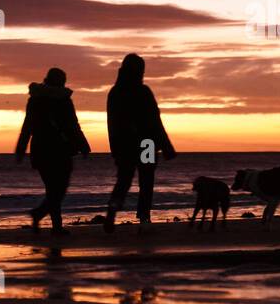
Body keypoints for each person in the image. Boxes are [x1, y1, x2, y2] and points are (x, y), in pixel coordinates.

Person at [104, 53, 175, 233]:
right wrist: (166, 145)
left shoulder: (115, 92)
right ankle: (144, 218)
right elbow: (155, 120)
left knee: (124, 180)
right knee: (146, 180)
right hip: (147, 143)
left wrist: (115, 147)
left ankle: (113, 210)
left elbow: (112, 123)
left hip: (126, 144)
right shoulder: (143, 92)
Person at [15, 67, 90, 235]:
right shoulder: (63, 100)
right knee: (59, 189)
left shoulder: (35, 100)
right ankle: (48, 221)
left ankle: (47, 219)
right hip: (60, 150)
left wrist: (21, 149)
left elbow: (27, 127)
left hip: (40, 150)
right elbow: (73, 125)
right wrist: (83, 145)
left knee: (53, 189)